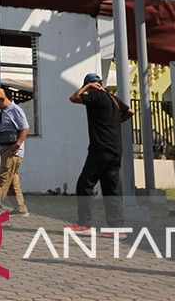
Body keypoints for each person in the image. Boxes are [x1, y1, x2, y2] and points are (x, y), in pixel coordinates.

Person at [67, 72, 133, 232]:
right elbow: (130, 111)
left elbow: (74, 98)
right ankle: (117, 228)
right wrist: (115, 122)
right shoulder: (112, 98)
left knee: (84, 184)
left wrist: (87, 87)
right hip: (115, 150)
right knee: (111, 189)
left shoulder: (95, 94)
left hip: (100, 148)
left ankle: (84, 223)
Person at [0, 88, 30, 217]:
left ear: (2, 99)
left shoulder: (15, 110)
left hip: (13, 151)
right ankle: (20, 208)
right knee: (12, 182)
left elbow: (25, 128)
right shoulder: (1, 112)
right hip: (5, 150)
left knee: (3, 178)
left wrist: (17, 144)